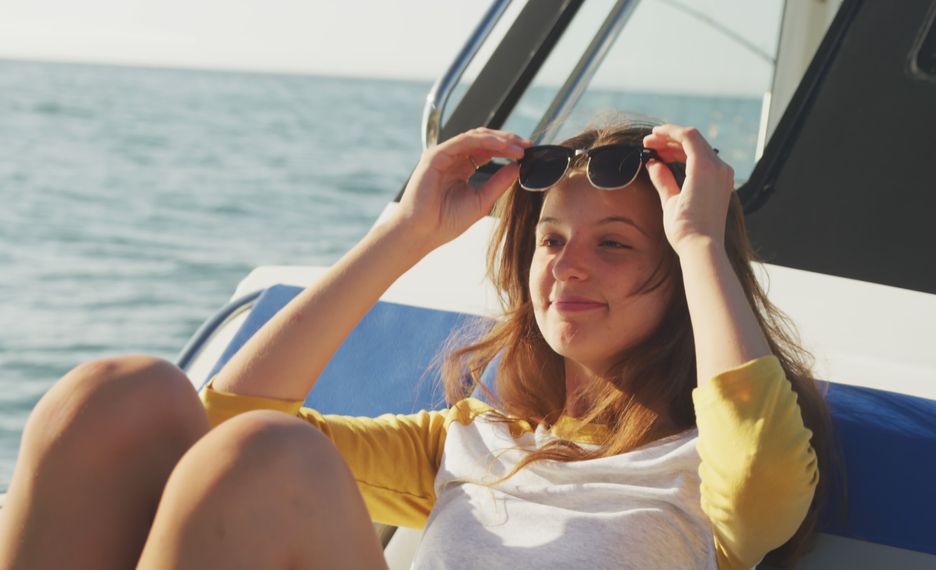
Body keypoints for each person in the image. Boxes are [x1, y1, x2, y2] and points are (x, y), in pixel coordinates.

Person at [0, 121, 836, 569]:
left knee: (270, 452)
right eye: (549, 241)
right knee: (116, 394)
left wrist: (699, 240)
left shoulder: (707, 475)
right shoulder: (471, 441)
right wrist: (401, 235)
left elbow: (760, 469)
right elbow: (215, 427)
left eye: (614, 244)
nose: (567, 266)